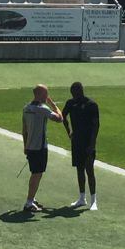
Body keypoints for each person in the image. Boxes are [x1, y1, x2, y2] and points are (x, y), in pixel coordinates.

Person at [22, 84, 63, 213]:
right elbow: (59, 118)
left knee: (35, 173)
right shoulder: (43, 109)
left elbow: (24, 130)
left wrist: (25, 146)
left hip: (30, 146)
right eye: (46, 94)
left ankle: (32, 199)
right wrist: (53, 105)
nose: (47, 96)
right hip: (39, 147)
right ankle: (29, 202)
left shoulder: (26, 108)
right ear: (39, 94)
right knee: (37, 174)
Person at [62, 81, 100, 211]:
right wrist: (69, 132)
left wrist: (92, 144)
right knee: (79, 169)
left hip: (88, 142)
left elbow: (96, 126)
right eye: (73, 93)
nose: (74, 95)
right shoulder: (71, 103)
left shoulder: (91, 105)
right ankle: (82, 198)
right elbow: (63, 116)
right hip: (76, 141)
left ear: (81, 90)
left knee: (89, 170)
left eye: (76, 92)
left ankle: (93, 200)